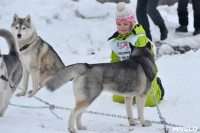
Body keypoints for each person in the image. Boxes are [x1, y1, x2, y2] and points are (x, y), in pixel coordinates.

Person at [108, 2, 165, 107]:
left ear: (131, 23)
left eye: (125, 24)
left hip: (144, 73)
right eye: (119, 24)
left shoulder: (139, 38)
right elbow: (115, 59)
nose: (122, 27)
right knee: (118, 99)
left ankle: (158, 87)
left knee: (149, 102)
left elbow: (147, 56)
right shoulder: (116, 41)